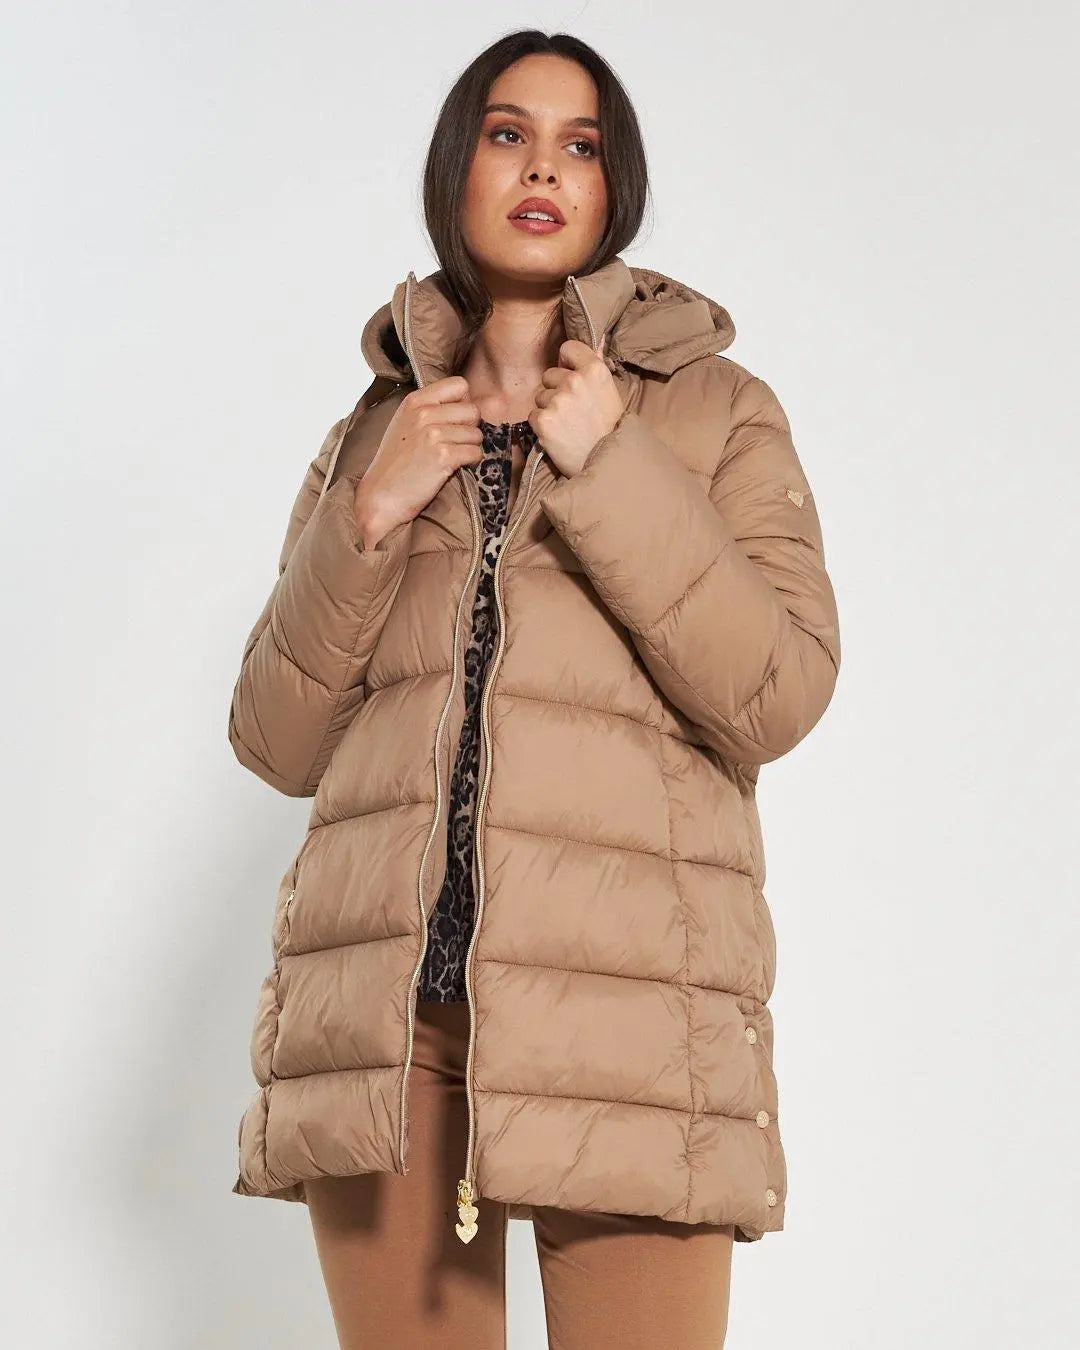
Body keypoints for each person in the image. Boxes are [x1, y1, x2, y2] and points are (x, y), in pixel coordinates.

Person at [226, 28, 841, 1350]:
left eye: (581, 145)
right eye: (509, 134)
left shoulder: (715, 413)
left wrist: (612, 465)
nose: (543, 168)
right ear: (459, 165)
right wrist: (366, 518)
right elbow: (275, 738)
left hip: (632, 1027)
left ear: (617, 187)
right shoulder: (375, 429)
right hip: (396, 1037)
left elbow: (779, 693)